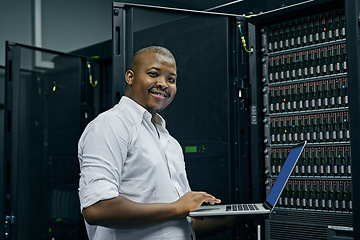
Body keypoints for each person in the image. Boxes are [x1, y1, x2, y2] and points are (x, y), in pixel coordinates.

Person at [78, 46, 247, 240]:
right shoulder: (111, 125)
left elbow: (181, 224)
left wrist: (240, 217)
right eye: (153, 74)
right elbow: (97, 208)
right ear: (130, 77)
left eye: (171, 79)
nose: (163, 84)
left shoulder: (170, 142)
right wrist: (177, 207)